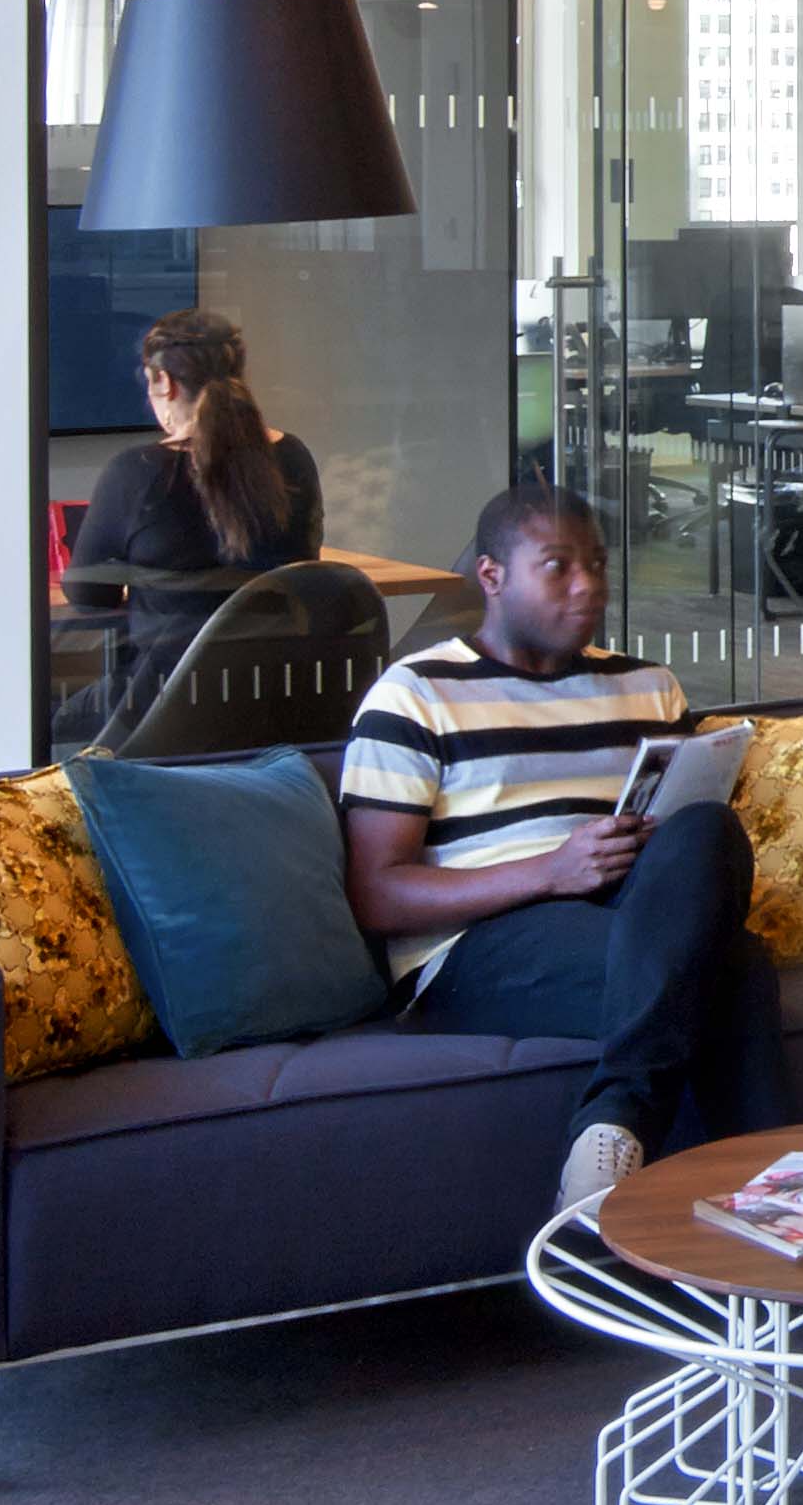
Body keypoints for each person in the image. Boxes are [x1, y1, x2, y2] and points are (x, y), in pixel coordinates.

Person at [334, 481, 780, 1231]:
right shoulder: (414, 696)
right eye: (558, 566)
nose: (589, 587)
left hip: (627, 913)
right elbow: (377, 896)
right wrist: (550, 872)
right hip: (477, 945)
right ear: (492, 576)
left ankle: (615, 1132)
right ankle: (784, 1214)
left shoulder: (647, 686)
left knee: (707, 828)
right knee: (734, 969)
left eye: (598, 565)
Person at [64, 308, 324, 734]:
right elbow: (303, 569)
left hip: (162, 712)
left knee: (47, 728)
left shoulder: (137, 471)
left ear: (163, 381)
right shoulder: (293, 457)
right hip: (276, 703)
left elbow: (87, 591)